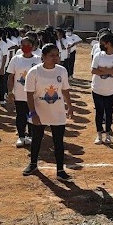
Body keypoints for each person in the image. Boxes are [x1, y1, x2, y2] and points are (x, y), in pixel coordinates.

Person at [22, 43, 74, 182]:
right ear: (43, 57)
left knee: (58, 142)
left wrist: (69, 106)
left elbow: (65, 90)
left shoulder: (62, 70)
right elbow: (29, 95)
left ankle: (60, 170)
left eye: (57, 55)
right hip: (39, 112)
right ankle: (33, 164)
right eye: (52, 55)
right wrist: (33, 113)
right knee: (37, 139)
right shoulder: (34, 72)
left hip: (57, 112)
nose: (55, 58)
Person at [6, 36, 41, 147]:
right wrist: (10, 92)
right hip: (20, 93)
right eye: (23, 45)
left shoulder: (38, 59)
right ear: (20, 46)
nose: (26, 47)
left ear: (33, 46)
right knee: (21, 115)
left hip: (34, 95)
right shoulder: (16, 59)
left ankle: (31, 136)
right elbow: (10, 76)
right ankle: (21, 136)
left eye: (28, 45)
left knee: (32, 115)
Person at [91, 33, 113, 145]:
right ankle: (99, 134)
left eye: (102, 43)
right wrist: (109, 70)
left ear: (108, 44)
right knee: (99, 112)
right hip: (97, 89)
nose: (100, 45)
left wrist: (103, 69)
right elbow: (93, 70)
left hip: (111, 89)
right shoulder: (98, 55)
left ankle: (108, 134)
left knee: (109, 111)